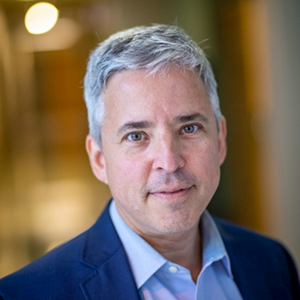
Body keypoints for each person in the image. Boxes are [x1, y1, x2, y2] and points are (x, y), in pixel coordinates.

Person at [0, 24, 299, 300]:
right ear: (99, 159)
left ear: (220, 140)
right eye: (136, 136)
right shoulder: (25, 294)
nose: (169, 163)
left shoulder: (272, 262)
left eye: (189, 128)